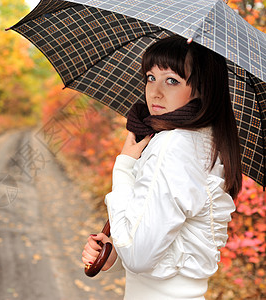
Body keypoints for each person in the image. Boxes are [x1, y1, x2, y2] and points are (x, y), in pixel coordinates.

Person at [81, 35, 242, 300]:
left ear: (202, 88)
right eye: (150, 77)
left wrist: (124, 166)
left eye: (172, 80)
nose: (155, 91)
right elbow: (166, 239)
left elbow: (138, 256)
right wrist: (115, 252)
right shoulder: (206, 139)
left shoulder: (174, 144)